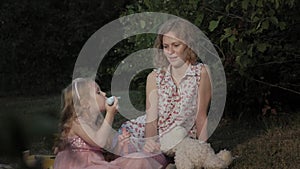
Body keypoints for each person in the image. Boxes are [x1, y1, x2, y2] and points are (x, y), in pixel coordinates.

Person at [120, 18, 211, 167]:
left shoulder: (201, 72)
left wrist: (203, 149)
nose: (170, 52)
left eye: (176, 45)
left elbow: (201, 115)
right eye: (165, 46)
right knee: (129, 151)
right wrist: (149, 142)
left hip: (181, 138)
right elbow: (151, 119)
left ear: (188, 45)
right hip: (146, 132)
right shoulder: (155, 77)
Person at [53, 78, 162, 169]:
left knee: (138, 159)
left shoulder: (100, 125)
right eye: (98, 92)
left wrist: (121, 145)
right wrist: (110, 114)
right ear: (85, 103)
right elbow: (99, 141)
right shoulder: (77, 121)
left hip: (99, 165)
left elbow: (112, 156)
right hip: (79, 166)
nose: (104, 93)